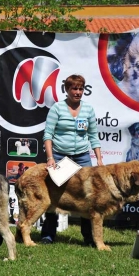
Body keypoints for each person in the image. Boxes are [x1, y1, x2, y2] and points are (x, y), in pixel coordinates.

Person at [40, 74, 103, 247]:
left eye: (81, 89)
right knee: (54, 195)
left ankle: (88, 237)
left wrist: (98, 159)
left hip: (82, 157)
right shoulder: (57, 108)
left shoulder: (88, 109)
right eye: (74, 88)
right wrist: (51, 158)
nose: (77, 92)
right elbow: (48, 135)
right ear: (67, 90)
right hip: (60, 155)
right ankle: (48, 234)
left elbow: (93, 136)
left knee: (88, 196)